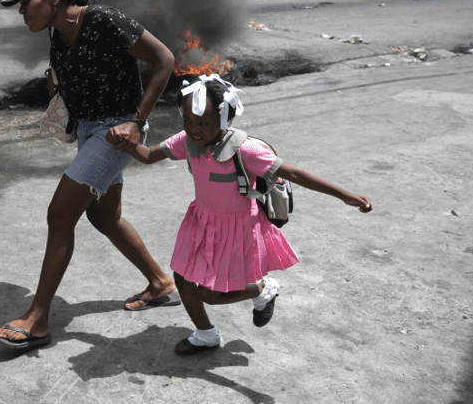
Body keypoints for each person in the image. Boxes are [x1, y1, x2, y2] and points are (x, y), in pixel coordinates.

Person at [0, 0, 178, 351]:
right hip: (89, 130)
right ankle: (161, 283)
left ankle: (38, 319)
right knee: (104, 216)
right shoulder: (58, 32)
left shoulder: (105, 20)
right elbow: (65, 69)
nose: (22, 9)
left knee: (60, 214)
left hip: (115, 133)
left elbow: (165, 60)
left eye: (27, 0)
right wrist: (57, 87)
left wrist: (137, 121)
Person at [115, 74, 372, 355]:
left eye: (203, 123)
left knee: (210, 295)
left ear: (224, 120)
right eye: (188, 121)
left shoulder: (246, 150)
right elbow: (149, 156)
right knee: (183, 278)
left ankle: (261, 290)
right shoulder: (186, 141)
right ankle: (205, 334)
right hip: (201, 220)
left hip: (238, 227)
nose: (194, 129)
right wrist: (123, 141)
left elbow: (294, 173)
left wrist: (344, 194)